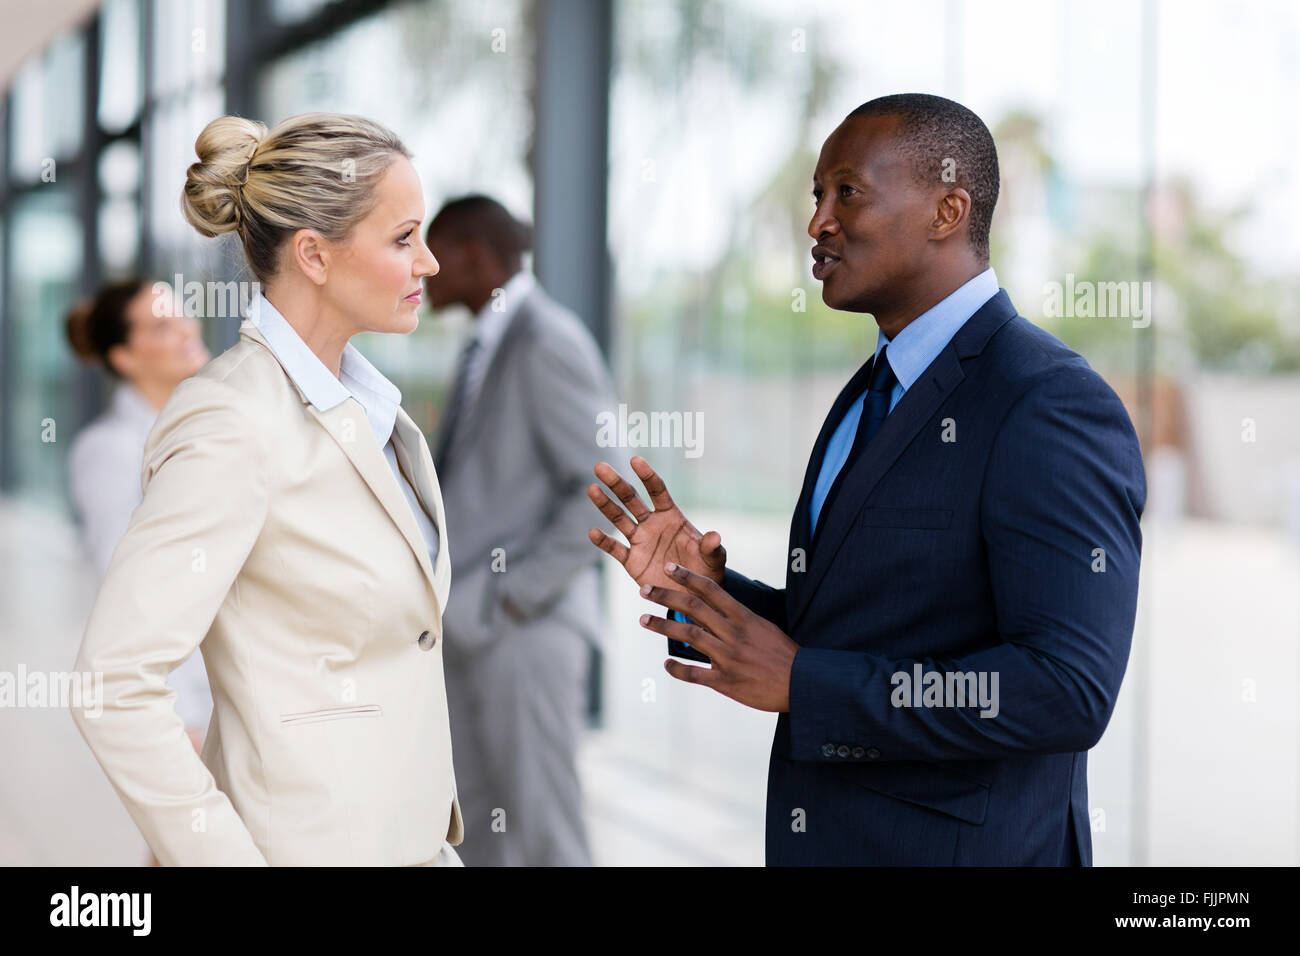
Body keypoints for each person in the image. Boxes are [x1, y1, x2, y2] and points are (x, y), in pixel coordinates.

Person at [587, 93, 1146, 866]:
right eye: (816, 196)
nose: (817, 222)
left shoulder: (1048, 401)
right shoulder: (871, 388)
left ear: (948, 209)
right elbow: (865, 626)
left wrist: (809, 686)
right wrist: (713, 592)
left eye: (846, 192)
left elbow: (1064, 688)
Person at [70, 112, 464, 866]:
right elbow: (114, 682)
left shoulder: (374, 411)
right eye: (404, 238)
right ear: (314, 254)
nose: (430, 264)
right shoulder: (232, 421)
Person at [424, 195, 613, 866]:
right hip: (476, 629)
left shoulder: (546, 340)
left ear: (477, 256)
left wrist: (511, 596)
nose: (421, 266)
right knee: (476, 827)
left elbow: (604, 492)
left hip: (524, 630)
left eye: (433, 249)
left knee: (543, 835)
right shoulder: (490, 340)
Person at [65, 278, 213, 749]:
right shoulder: (110, 450)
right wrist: (182, 719)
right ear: (123, 358)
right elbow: (128, 597)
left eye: (180, 313)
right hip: (191, 712)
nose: (186, 329)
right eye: (161, 326)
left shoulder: (202, 425)